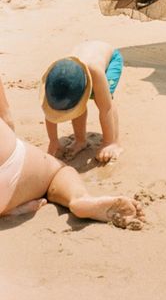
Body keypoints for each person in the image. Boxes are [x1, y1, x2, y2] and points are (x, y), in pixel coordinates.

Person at [0, 76, 144, 228]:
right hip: (10, 167)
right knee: (56, 172)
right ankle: (78, 198)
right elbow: (6, 118)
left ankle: (11, 209)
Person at [42, 41, 124, 163]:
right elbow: (49, 111)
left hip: (111, 59)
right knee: (75, 101)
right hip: (79, 65)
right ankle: (80, 140)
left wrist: (107, 142)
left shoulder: (95, 70)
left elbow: (106, 108)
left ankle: (114, 142)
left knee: (102, 99)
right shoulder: (55, 78)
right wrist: (54, 141)